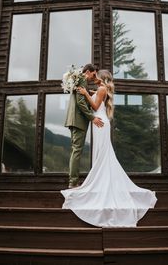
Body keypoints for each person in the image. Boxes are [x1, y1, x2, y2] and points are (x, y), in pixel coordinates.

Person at [61, 69, 157, 227]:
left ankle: (102, 180)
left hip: (100, 123)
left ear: (101, 78)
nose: (94, 77)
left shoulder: (102, 89)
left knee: (103, 155)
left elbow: (95, 105)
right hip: (100, 122)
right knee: (102, 154)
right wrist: (89, 91)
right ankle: (102, 177)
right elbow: (97, 97)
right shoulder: (100, 89)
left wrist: (85, 93)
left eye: (97, 75)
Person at [65, 63, 104, 189]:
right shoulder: (81, 80)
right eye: (93, 74)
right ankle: (73, 182)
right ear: (88, 71)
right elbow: (80, 102)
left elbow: (82, 98)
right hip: (78, 120)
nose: (94, 77)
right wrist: (92, 118)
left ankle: (73, 180)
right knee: (77, 150)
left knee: (75, 150)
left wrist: (90, 92)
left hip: (74, 120)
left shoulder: (79, 81)